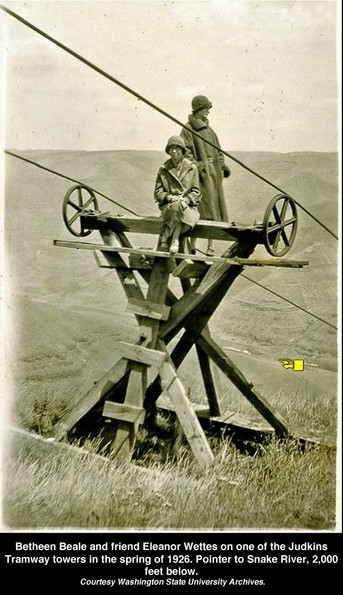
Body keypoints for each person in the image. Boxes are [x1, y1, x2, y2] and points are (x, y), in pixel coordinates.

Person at [180, 95, 231, 256]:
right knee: (197, 209)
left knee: (213, 212)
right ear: (198, 110)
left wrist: (221, 167)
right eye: (206, 108)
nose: (208, 111)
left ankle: (210, 246)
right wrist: (198, 167)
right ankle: (193, 246)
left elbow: (219, 152)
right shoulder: (188, 130)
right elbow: (185, 152)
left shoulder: (210, 132)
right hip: (199, 178)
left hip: (214, 177)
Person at [154, 135, 201, 254]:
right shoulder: (163, 169)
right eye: (171, 148)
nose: (174, 151)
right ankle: (175, 241)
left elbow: (196, 192)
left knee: (180, 207)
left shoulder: (191, 168)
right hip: (169, 207)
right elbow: (158, 192)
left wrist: (187, 200)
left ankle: (167, 237)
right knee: (176, 205)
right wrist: (169, 197)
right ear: (168, 151)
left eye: (177, 148)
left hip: (188, 207)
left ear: (182, 150)